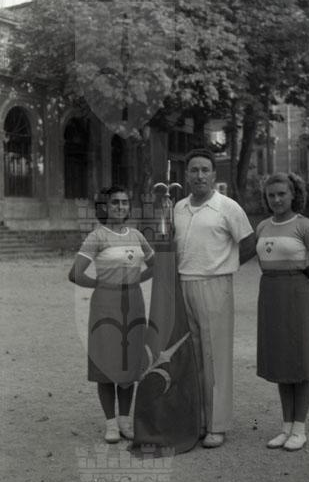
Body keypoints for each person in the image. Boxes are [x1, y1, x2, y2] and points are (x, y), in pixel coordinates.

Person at [174, 149, 255, 448]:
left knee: (215, 358)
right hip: (185, 283)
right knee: (192, 356)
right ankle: (198, 420)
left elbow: (250, 243)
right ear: (186, 175)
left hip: (215, 285)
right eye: (194, 170)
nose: (199, 175)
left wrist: (225, 266)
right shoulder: (178, 207)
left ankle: (217, 425)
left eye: (204, 170)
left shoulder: (227, 207)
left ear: (213, 175)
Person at [69, 186, 154, 443]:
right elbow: (75, 273)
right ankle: (110, 424)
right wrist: (102, 284)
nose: (120, 207)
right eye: (115, 202)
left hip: (134, 303)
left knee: (128, 363)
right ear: (105, 207)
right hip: (105, 305)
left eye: (124, 202)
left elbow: (155, 265)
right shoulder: (97, 236)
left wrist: (134, 281)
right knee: (106, 363)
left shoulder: (137, 235)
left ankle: (125, 421)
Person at [256, 173, 309, 451]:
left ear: (293, 195)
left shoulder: (305, 226)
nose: (276, 199)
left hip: (296, 295)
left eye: (281, 194)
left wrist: (298, 273)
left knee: (301, 361)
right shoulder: (262, 226)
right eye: (271, 195)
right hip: (270, 295)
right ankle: (286, 427)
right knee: (281, 363)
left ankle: (299, 429)